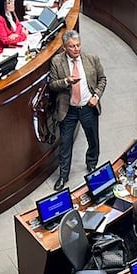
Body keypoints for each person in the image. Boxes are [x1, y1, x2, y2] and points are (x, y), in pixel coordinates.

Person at [47, 30, 107, 190]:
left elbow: (102, 79)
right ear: (64, 47)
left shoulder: (92, 59)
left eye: (78, 45)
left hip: (88, 107)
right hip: (68, 110)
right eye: (72, 46)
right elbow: (52, 85)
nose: (76, 49)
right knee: (65, 143)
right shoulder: (57, 62)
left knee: (93, 139)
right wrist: (66, 81)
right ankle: (63, 175)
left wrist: (96, 96)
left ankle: (92, 164)